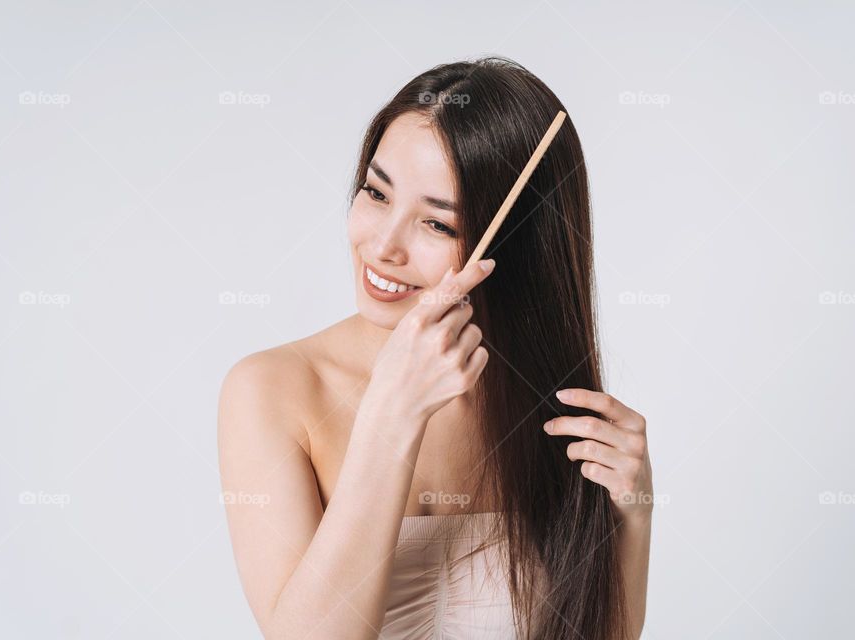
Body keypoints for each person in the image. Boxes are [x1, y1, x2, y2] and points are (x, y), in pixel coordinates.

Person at [218, 56, 653, 639]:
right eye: (376, 193)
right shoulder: (272, 389)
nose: (383, 246)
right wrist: (391, 417)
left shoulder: (554, 408)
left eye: (438, 225)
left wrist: (634, 514)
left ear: (516, 248)